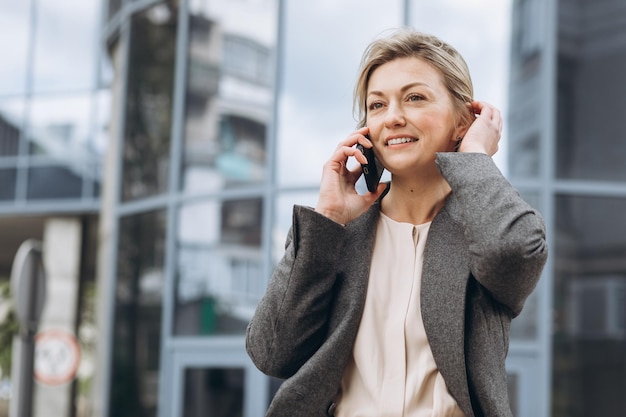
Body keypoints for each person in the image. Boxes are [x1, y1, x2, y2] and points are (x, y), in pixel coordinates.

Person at [246, 28, 548, 417]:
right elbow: (271, 353)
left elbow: (512, 252)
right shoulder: (336, 235)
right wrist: (329, 220)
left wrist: (475, 157)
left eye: (415, 98)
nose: (392, 118)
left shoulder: (486, 227)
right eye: (377, 105)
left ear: (463, 121)